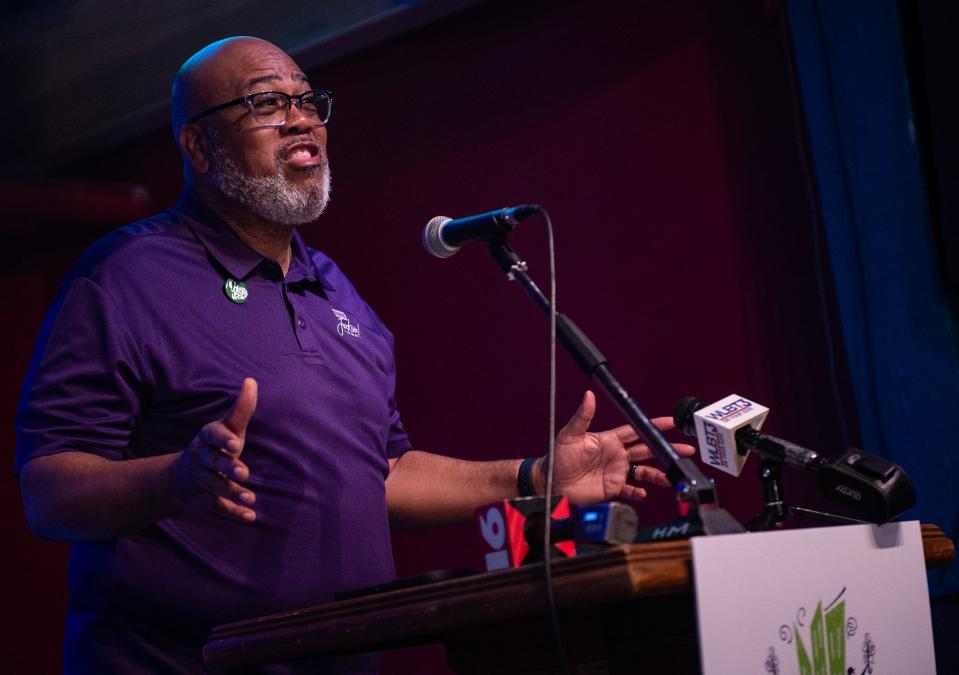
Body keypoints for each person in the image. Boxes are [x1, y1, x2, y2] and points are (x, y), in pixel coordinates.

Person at [16, 37, 693, 674]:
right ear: (197, 144)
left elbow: (386, 472)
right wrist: (177, 479)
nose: (299, 119)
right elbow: (48, 491)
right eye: (264, 102)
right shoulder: (126, 276)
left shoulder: (334, 288)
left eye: (308, 101)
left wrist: (534, 474)